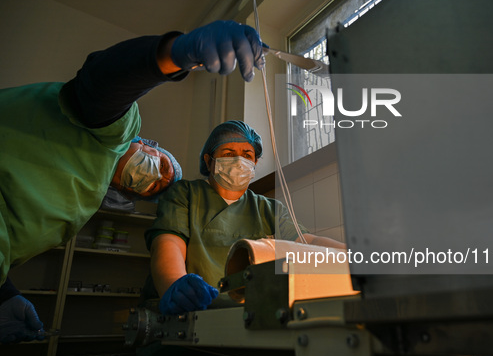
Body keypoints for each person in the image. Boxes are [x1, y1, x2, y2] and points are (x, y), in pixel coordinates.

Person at [0, 20, 265, 356]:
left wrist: (5, 293)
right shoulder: (111, 131)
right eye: (161, 168)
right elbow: (100, 82)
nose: (151, 181)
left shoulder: (85, 197)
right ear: (146, 144)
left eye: (153, 189)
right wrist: (175, 53)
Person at [144, 120, 345, 316]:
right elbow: (168, 241)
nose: (239, 161)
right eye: (228, 154)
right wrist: (174, 285)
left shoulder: (269, 209)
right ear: (208, 160)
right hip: (193, 311)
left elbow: (307, 242)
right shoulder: (185, 193)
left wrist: (354, 255)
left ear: (255, 162)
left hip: (250, 313)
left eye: (247, 155)